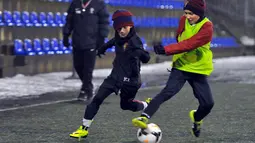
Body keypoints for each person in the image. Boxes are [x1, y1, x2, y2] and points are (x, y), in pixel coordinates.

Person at [132, 0, 214, 137]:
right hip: (181, 66)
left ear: (200, 13)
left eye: (191, 14)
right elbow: (180, 39)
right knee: (167, 91)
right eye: (186, 13)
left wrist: (166, 50)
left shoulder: (207, 27)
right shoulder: (183, 20)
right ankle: (144, 117)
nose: (187, 16)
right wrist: (168, 49)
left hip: (198, 69)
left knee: (208, 104)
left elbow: (189, 44)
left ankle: (197, 118)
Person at [69, 9, 151, 139]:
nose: (122, 31)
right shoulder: (119, 37)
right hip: (114, 77)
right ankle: (84, 129)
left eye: (124, 28)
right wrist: (102, 49)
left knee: (125, 105)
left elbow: (147, 58)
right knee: (96, 99)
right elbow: (113, 41)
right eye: (119, 29)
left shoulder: (136, 42)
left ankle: (146, 105)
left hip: (131, 81)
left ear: (130, 25)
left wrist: (138, 52)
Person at [63, 0, 110, 101]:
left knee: (88, 69)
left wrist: (101, 39)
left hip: (92, 41)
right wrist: (66, 35)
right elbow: (69, 20)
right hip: (77, 41)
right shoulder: (75, 3)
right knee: (78, 66)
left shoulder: (99, 4)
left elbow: (104, 22)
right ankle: (89, 87)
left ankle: (84, 90)